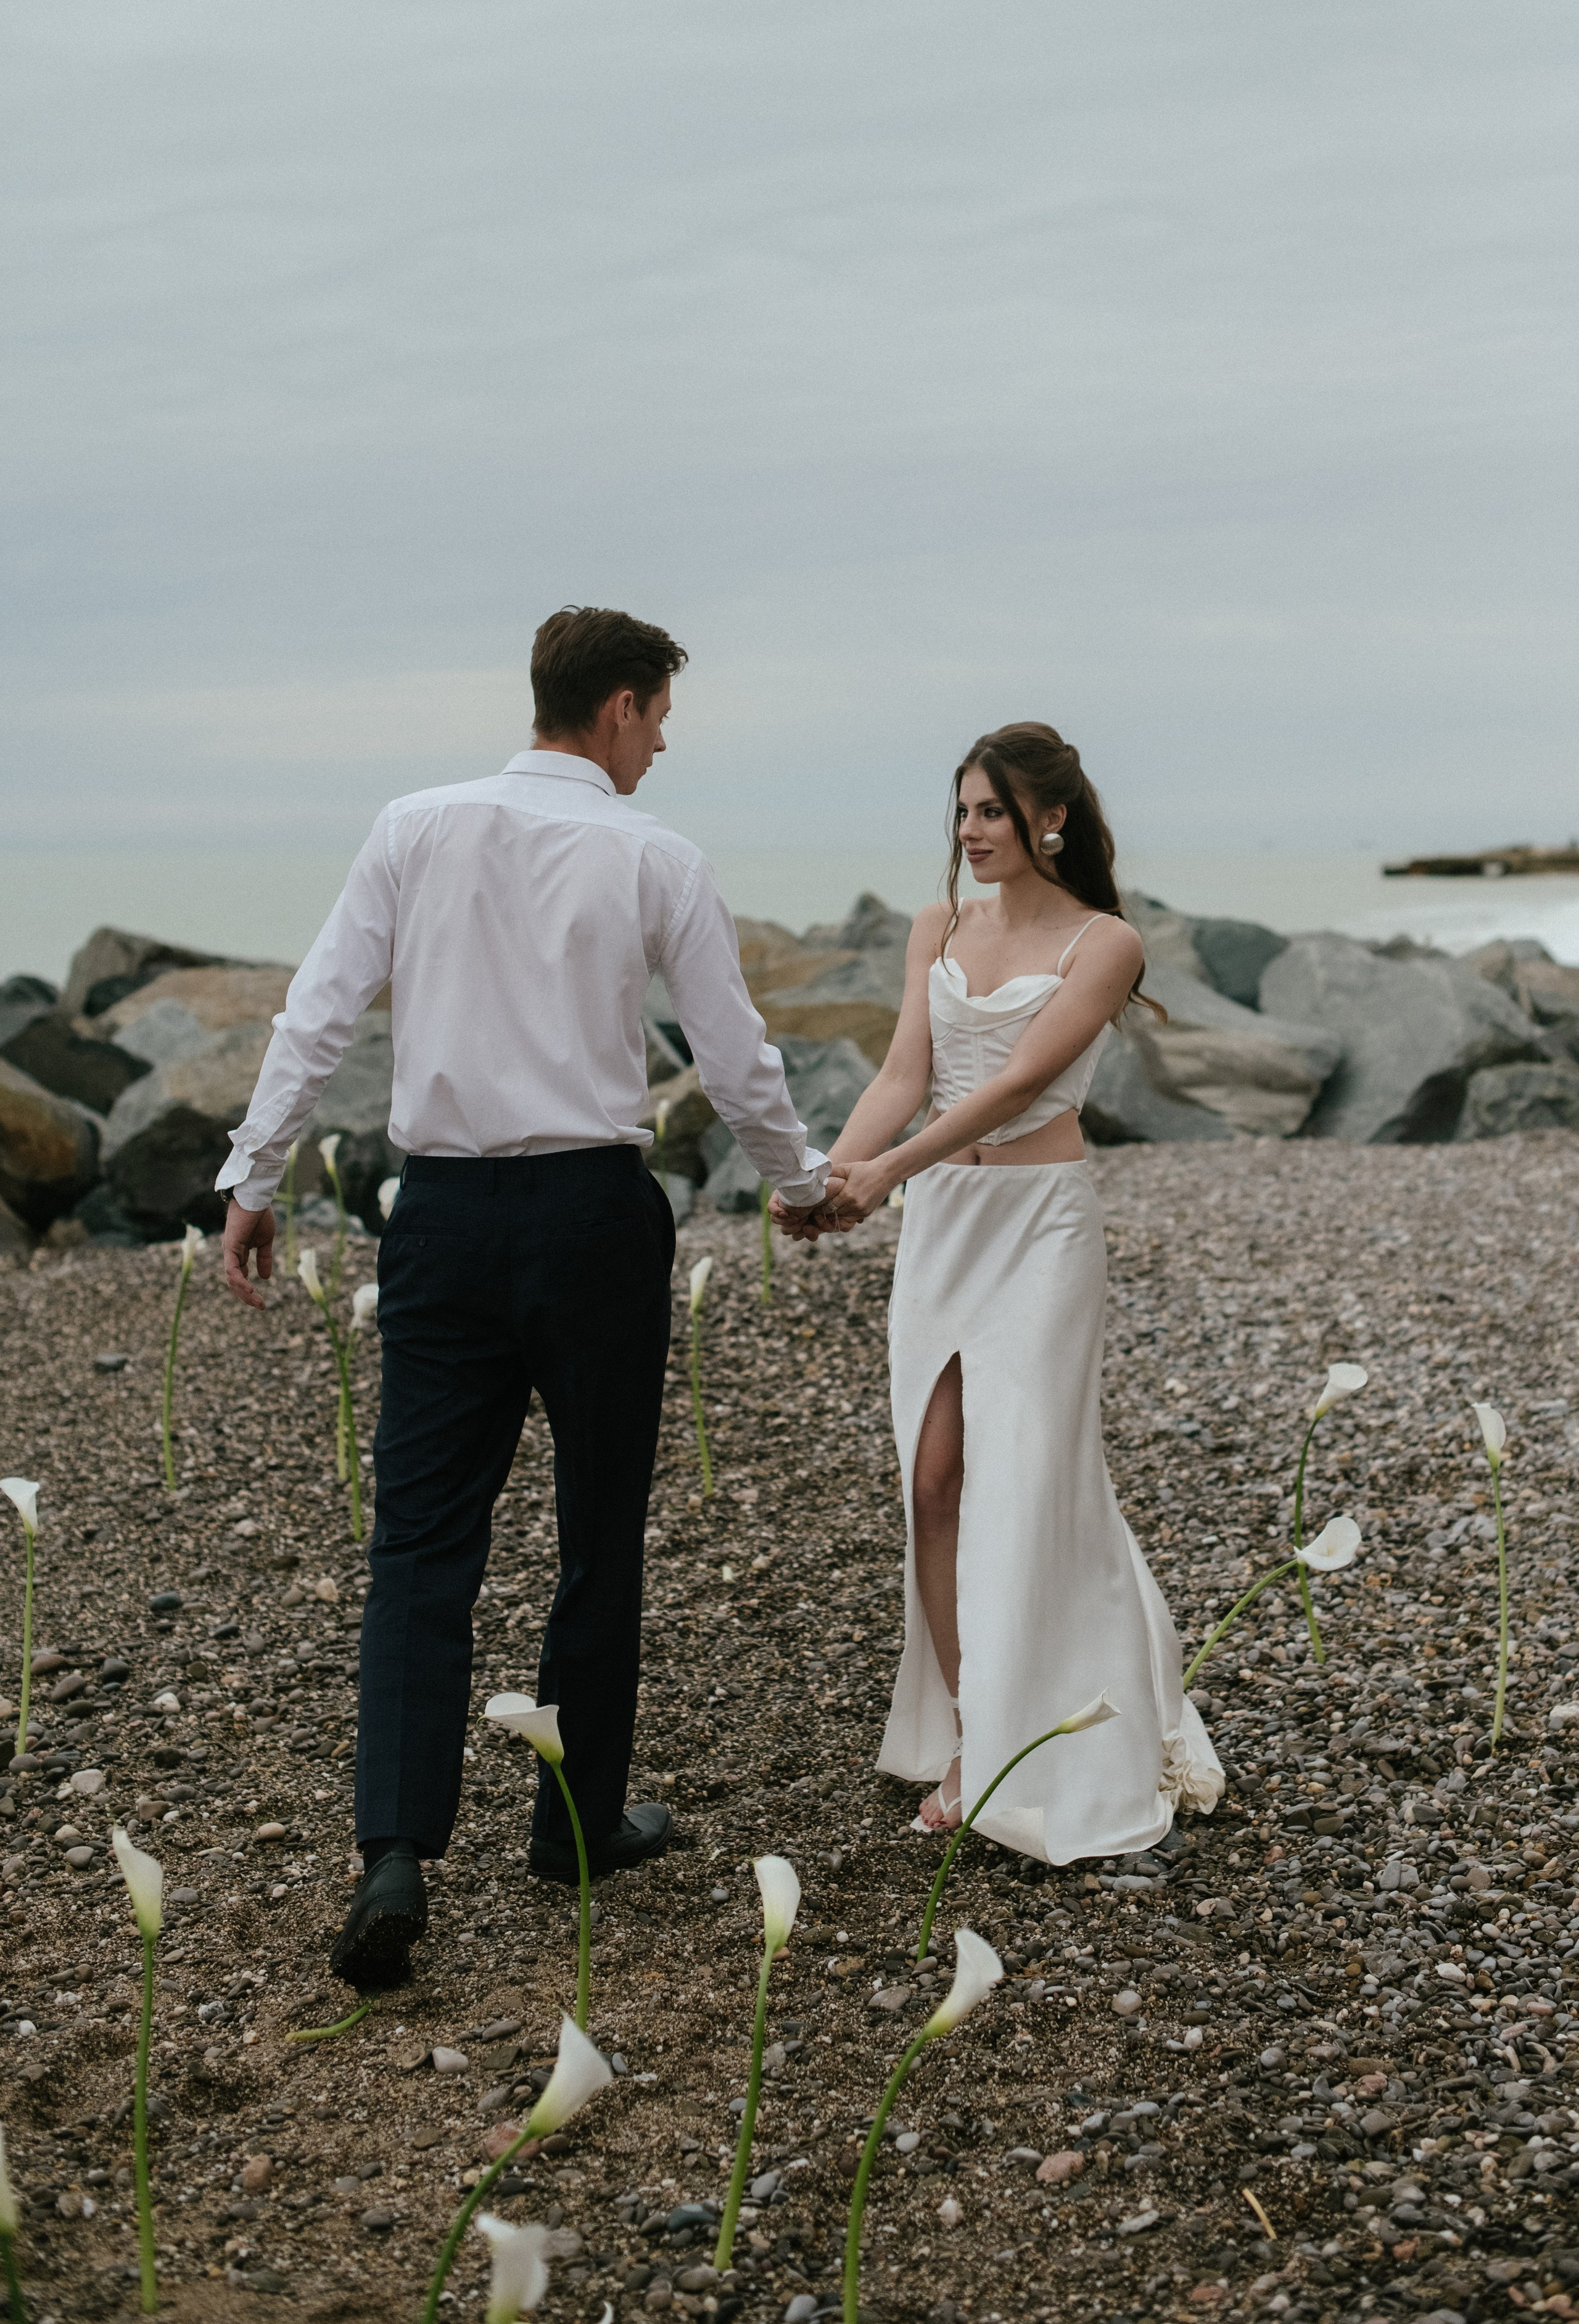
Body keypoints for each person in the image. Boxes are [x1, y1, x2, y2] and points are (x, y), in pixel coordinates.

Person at [218, 606, 836, 1985]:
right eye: (660, 714)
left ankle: (393, 1849)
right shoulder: (652, 853)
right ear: (616, 707)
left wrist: (251, 1178)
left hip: (436, 1218)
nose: (664, 740)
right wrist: (793, 1180)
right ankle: (573, 1821)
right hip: (590, 1220)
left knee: (420, 1534)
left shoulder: (412, 824)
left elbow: (316, 1008)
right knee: (597, 1523)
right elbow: (733, 1058)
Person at [780, 721, 1221, 1862]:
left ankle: (1034, 1745)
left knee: (1026, 1477)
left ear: (1050, 819)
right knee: (932, 1480)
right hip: (944, 1228)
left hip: (1040, 1230)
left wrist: (889, 1171)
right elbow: (903, 1077)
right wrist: (829, 1172)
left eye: (991, 811)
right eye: (963, 811)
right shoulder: (939, 926)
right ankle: (976, 1726)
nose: (970, 832)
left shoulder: (1105, 942)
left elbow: (1025, 1081)